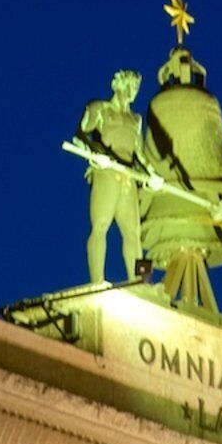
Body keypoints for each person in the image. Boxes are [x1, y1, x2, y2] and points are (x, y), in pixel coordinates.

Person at [74, 70, 148, 287]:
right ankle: (97, 280)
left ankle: (138, 283)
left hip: (128, 178)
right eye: (129, 86)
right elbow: (80, 135)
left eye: (135, 88)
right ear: (118, 85)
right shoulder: (100, 109)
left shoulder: (135, 120)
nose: (132, 92)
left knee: (133, 233)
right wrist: (95, 153)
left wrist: (153, 176)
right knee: (101, 225)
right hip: (106, 173)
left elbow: (141, 155)